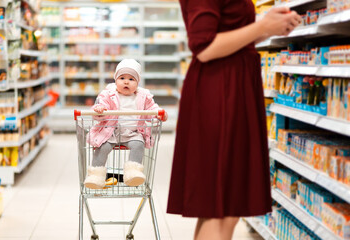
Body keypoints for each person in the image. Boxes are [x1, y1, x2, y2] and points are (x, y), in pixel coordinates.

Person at [167, 1, 302, 239]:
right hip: (221, 93)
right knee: (221, 209)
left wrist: (268, 27)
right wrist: (263, 27)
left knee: (223, 207)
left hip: (230, 89)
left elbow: (227, 36)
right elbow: (205, 46)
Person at [84, 59, 167, 189]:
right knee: (103, 147)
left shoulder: (143, 96)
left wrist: (159, 113)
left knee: (138, 144)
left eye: (131, 79)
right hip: (110, 132)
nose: (126, 81)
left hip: (132, 133)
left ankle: (133, 173)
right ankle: (95, 175)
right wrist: (99, 110)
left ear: (138, 82)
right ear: (115, 80)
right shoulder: (109, 94)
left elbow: (152, 108)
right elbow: (101, 105)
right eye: (122, 78)